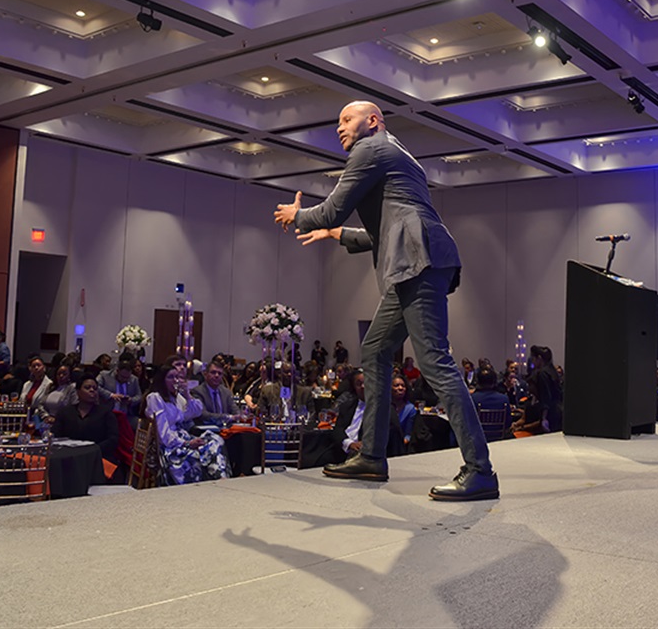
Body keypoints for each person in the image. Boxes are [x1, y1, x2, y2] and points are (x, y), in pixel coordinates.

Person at [275, 100, 496, 501]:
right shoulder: (394, 153)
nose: (339, 128)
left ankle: (480, 470)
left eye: (346, 119)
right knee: (376, 350)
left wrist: (301, 216)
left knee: (434, 362)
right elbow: (384, 230)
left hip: (418, 262)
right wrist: (335, 235)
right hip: (418, 259)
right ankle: (373, 455)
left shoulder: (371, 149)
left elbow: (333, 209)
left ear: (372, 121)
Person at [145, 365, 229, 484]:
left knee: (215, 440)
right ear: (162, 380)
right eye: (171, 377)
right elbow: (163, 434)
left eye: (177, 377)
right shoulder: (155, 398)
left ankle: (220, 478)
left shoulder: (175, 397)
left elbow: (195, 412)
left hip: (181, 437)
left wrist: (187, 395)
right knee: (196, 455)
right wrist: (186, 443)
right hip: (167, 445)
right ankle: (204, 484)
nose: (175, 380)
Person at [53, 373, 118, 461]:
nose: (92, 390)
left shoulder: (106, 413)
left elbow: (113, 440)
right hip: (69, 457)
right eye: (87, 388)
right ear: (78, 391)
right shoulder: (65, 412)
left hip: (97, 457)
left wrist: (93, 449)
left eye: (95, 388)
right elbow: (56, 436)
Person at [97, 352, 143, 427]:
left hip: (126, 414)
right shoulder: (104, 375)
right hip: (108, 412)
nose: (125, 379)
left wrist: (131, 400)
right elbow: (96, 387)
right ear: (117, 371)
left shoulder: (134, 379)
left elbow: (139, 396)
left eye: (127, 378)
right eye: (122, 377)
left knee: (140, 424)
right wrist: (111, 395)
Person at [192, 360, 239, 426]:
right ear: (205, 374)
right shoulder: (197, 391)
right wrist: (227, 417)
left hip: (226, 430)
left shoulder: (226, 392)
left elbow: (235, 411)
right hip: (206, 429)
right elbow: (203, 414)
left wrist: (239, 415)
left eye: (220, 373)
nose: (217, 375)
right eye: (213, 372)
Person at [391, 375, 416, 449]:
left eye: (403, 386)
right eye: (396, 385)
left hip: (402, 445)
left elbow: (408, 434)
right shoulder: (385, 406)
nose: (400, 388)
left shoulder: (410, 408)